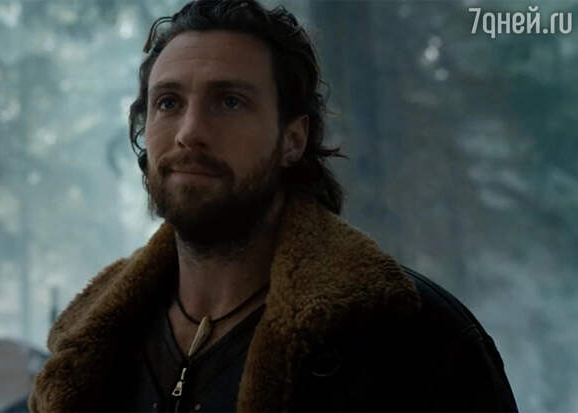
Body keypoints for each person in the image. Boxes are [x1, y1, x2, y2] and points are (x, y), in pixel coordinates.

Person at [29, 1, 519, 412]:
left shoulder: (411, 338)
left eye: (229, 101)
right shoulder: (89, 349)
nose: (189, 133)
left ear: (293, 139)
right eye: (168, 103)